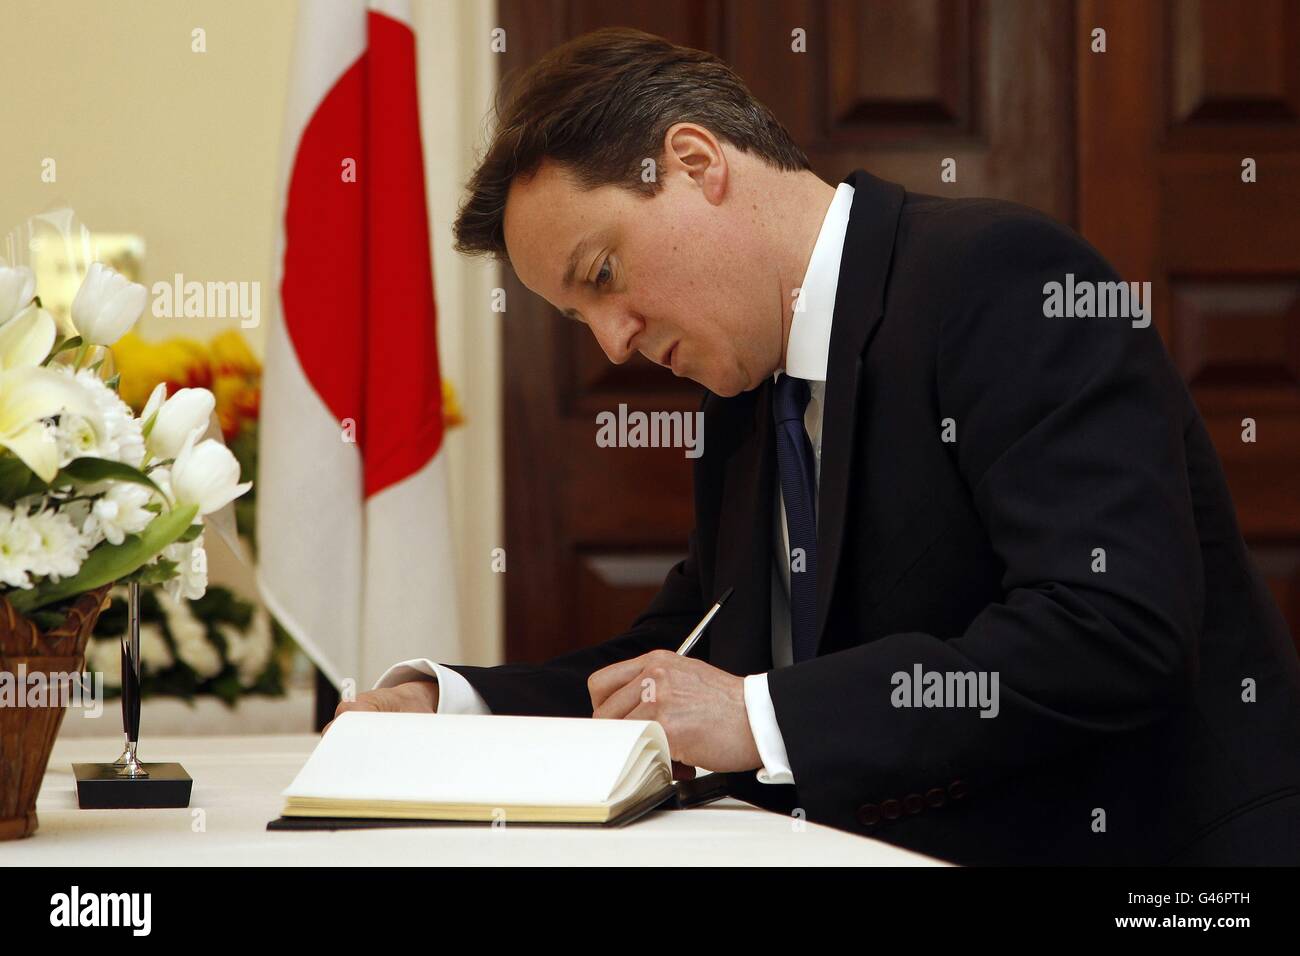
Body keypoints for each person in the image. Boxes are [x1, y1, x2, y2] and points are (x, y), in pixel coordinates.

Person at [339, 28, 1300, 865]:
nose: (613, 342)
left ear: (694, 160)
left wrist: (760, 719)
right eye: (578, 316)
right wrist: (450, 706)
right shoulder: (751, 378)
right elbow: (681, 657)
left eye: (604, 274)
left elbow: (1112, 632)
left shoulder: (1001, 277)